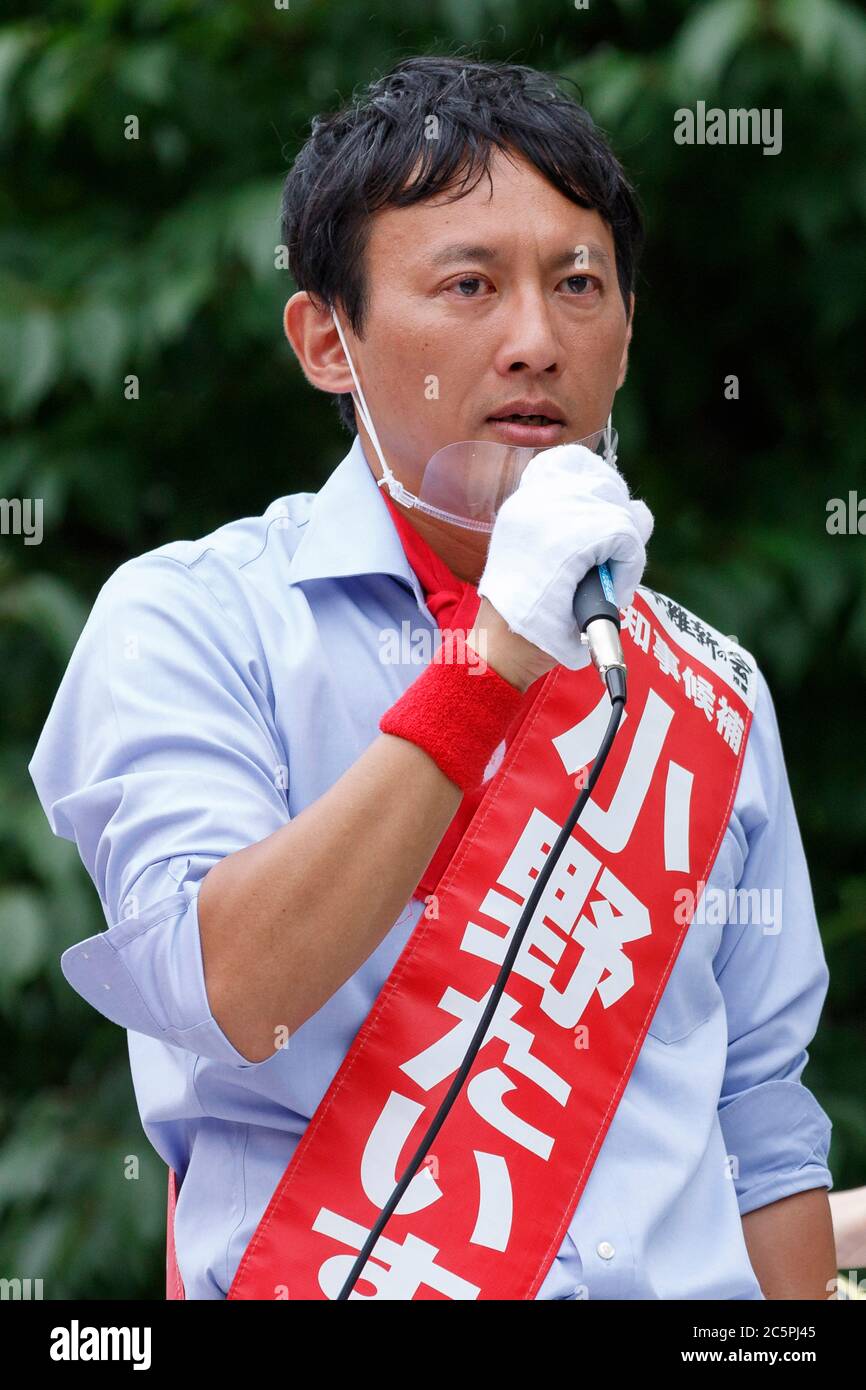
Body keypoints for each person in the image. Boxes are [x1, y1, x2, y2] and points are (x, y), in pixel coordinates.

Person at [29, 55, 836, 1300]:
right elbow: (232, 988)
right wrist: (497, 655)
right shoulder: (194, 617)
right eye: (468, 284)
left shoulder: (710, 684)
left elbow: (760, 1117)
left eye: (579, 284)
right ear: (326, 340)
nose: (533, 339)